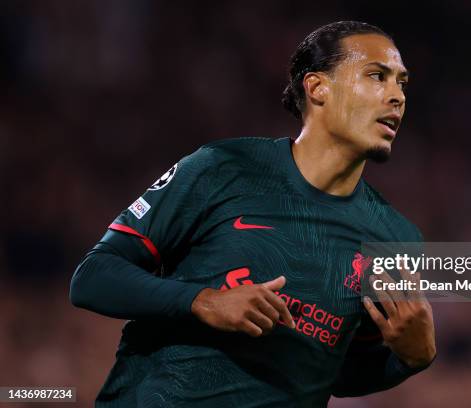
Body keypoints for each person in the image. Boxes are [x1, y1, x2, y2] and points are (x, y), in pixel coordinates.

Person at [70, 20, 436, 407]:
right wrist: (203, 301)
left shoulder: (395, 240)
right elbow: (93, 278)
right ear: (317, 88)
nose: (396, 96)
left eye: (402, 83)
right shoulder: (223, 168)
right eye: (377, 76)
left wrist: (411, 359)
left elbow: (334, 371)